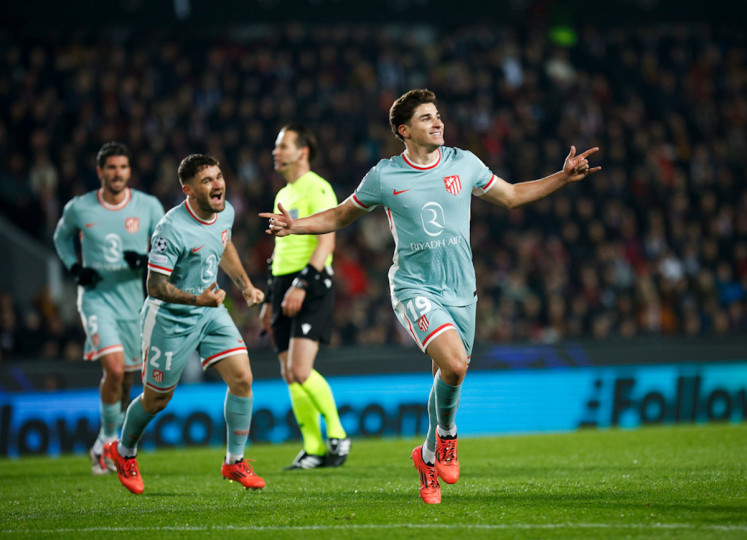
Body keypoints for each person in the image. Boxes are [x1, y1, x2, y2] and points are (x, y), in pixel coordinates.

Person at [261, 89, 601, 504]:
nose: (438, 122)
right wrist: (294, 227)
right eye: (426, 118)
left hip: (462, 290)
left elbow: (511, 196)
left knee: (452, 374)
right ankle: (446, 435)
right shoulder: (384, 176)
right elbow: (340, 215)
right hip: (413, 288)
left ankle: (425, 457)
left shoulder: (464, 162)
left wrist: (562, 177)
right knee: (454, 363)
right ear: (404, 130)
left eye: (437, 116)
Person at [106, 154, 266, 494]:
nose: (218, 184)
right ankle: (123, 452)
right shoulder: (171, 229)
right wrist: (198, 299)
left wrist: (246, 286)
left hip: (210, 311)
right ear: (188, 190)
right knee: (156, 400)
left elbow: (223, 244)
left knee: (242, 378)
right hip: (169, 318)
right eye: (207, 181)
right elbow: (154, 286)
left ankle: (234, 461)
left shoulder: (227, 212)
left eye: (219, 176)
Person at [53, 142, 164, 476]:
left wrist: (146, 260)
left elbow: (167, 246)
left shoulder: (148, 206)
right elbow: (61, 239)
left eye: (123, 168)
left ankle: (112, 439)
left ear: (130, 171)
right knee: (114, 370)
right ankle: (105, 442)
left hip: (134, 301)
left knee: (128, 377)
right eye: (111, 168)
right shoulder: (80, 208)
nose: (118, 174)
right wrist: (74, 267)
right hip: (96, 298)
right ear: (100, 171)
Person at [259, 124, 350, 470]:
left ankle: (338, 435)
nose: (276, 152)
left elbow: (327, 240)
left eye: (283, 146)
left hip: (309, 282)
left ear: (303, 152)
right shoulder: (284, 192)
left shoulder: (318, 187)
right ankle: (313, 448)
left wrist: (302, 283)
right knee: (289, 372)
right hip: (282, 283)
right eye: (276, 147)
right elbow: (280, 248)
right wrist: (270, 297)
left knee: (300, 368)